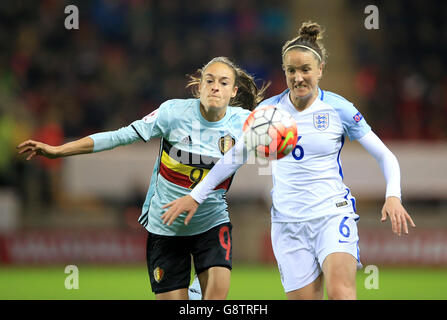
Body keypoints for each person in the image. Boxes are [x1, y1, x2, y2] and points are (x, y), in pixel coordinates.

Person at [161, 22, 416, 300]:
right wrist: (196, 196)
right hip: (287, 223)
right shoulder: (267, 113)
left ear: (320, 70)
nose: (298, 77)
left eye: (305, 69)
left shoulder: (338, 108)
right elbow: (233, 158)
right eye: (291, 70)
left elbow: (384, 155)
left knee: (341, 293)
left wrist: (393, 195)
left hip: (331, 214)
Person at [17, 56, 268, 300]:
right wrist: (60, 149)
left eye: (223, 82)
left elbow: (287, 142)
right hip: (166, 226)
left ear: (234, 92)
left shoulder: (245, 124)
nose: (215, 86)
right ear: (199, 86)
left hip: (211, 223)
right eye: (209, 80)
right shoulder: (173, 113)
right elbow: (119, 136)